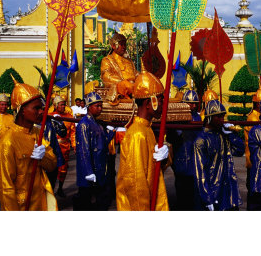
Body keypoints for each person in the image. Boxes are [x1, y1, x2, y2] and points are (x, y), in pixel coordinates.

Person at [0, 77, 57, 211]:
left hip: (41, 201)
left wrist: (43, 157)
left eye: (41, 108)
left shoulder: (37, 133)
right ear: (22, 110)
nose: (41, 112)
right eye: (36, 108)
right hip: (22, 205)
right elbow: (6, 188)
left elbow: (52, 164)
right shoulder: (8, 141)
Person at [116, 71, 170, 211]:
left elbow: (153, 169)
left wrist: (164, 157)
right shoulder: (137, 134)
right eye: (160, 99)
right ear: (148, 103)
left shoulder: (147, 129)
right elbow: (135, 184)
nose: (163, 103)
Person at [193, 99, 244, 211]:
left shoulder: (224, 135)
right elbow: (200, 172)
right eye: (218, 117)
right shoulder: (201, 140)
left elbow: (240, 151)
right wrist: (207, 198)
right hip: (214, 192)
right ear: (210, 118)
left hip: (229, 192)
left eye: (223, 116)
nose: (222, 120)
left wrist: (231, 135)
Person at [74, 91, 115, 210]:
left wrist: (111, 132)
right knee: (85, 201)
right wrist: (88, 171)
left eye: (101, 106)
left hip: (99, 167)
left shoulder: (97, 123)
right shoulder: (84, 124)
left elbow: (102, 143)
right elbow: (83, 150)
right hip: (90, 169)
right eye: (97, 106)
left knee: (100, 201)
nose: (100, 108)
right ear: (89, 107)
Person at [167, 90, 201, 210]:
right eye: (191, 103)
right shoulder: (177, 117)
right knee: (181, 193)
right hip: (181, 162)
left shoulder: (198, 118)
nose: (194, 106)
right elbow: (171, 137)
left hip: (195, 162)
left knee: (194, 194)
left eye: (195, 103)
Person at [243, 87, 261, 208]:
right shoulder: (253, 117)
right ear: (257, 104)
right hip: (254, 159)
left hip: (260, 160)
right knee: (254, 191)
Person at [48, 95, 76, 197]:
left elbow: (73, 133)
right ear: (55, 106)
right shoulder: (50, 116)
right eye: (61, 105)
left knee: (63, 169)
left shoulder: (69, 117)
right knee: (51, 169)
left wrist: (74, 146)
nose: (63, 106)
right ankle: (50, 190)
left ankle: (60, 188)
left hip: (65, 146)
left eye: (64, 104)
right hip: (52, 147)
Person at [100, 33, 139, 104]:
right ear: (113, 46)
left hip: (134, 88)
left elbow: (136, 74)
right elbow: (106, 76)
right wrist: (123, 82)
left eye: (125, 44)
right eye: (121, 44)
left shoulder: (129, 61)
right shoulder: (107, 60)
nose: (124, 47)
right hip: (121, 90)